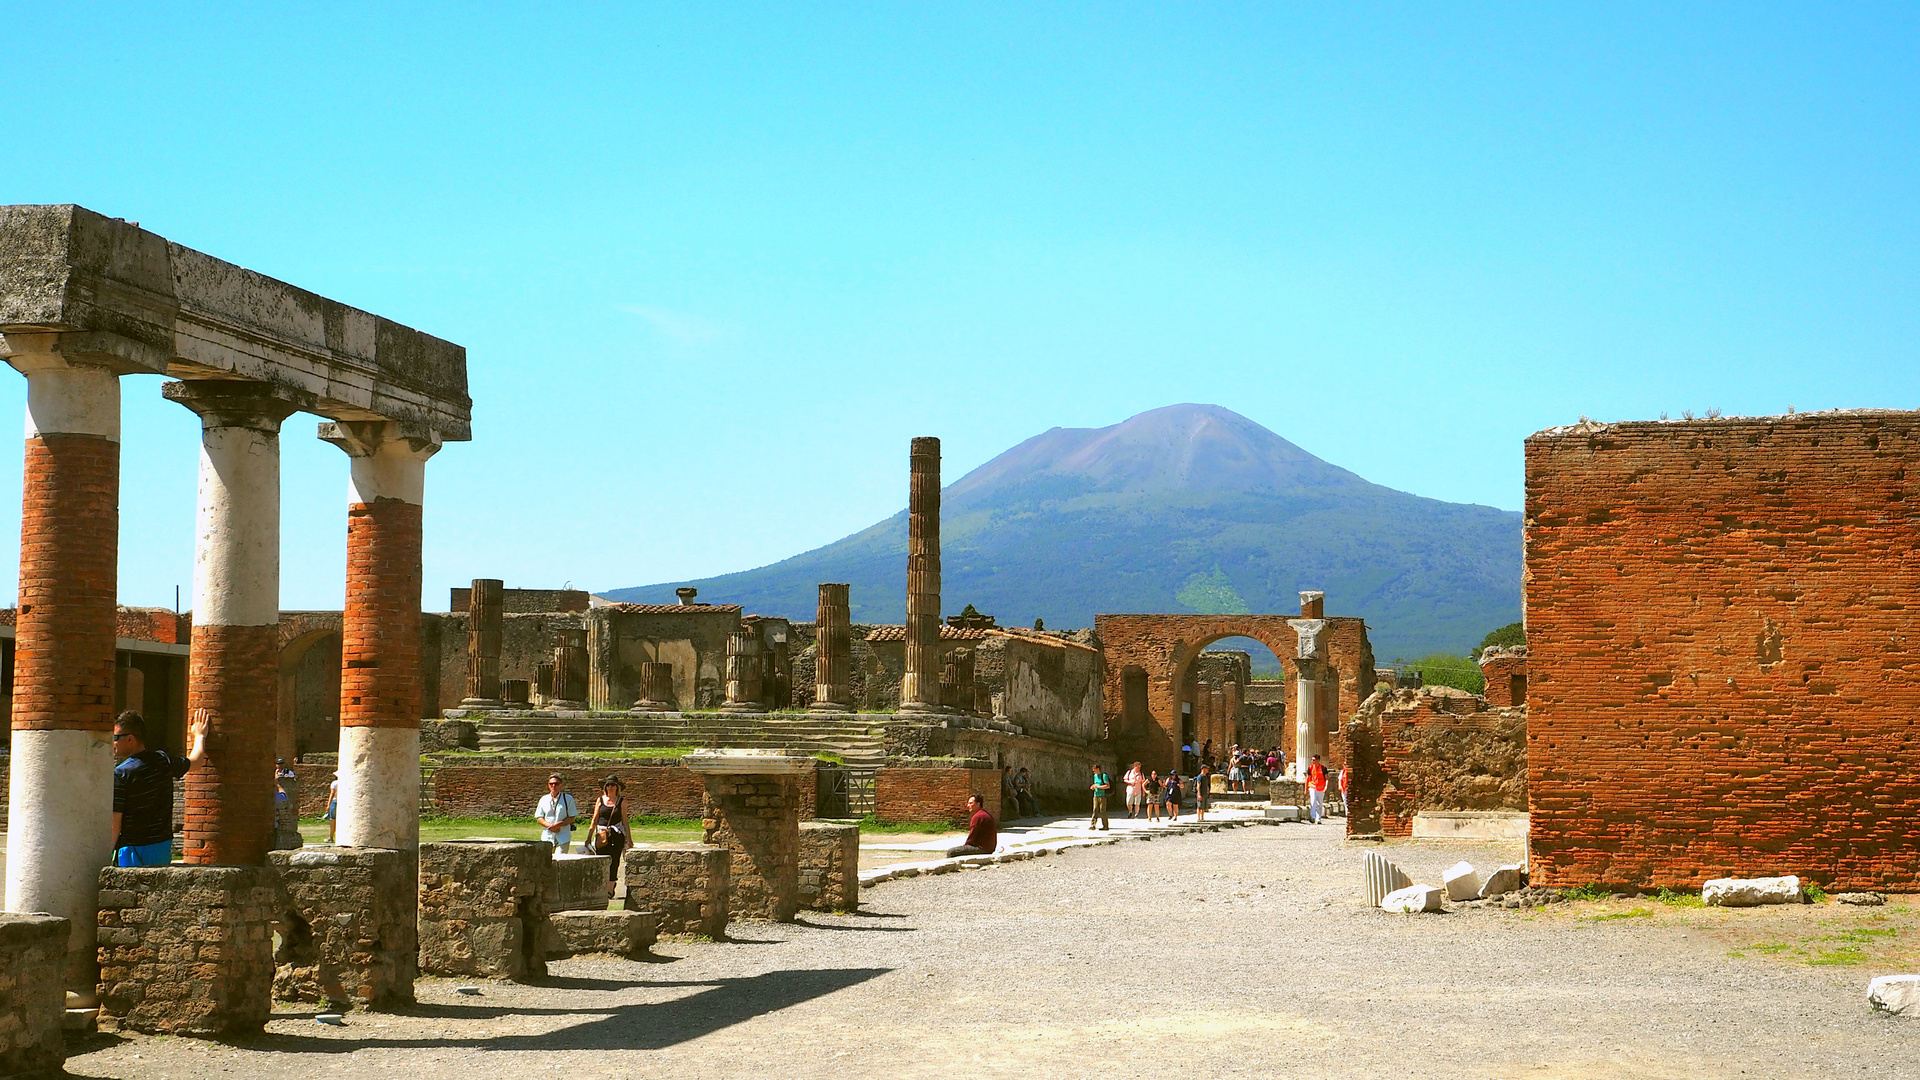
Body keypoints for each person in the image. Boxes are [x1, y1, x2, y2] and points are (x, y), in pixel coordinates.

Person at [112, 708, 209, 866]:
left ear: (130, 739)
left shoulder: (121, 774)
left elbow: (114, 824)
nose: (113, 742)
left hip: (131, 851)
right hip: (161, 848)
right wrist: (199, 736)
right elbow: (196, 762)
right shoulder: (163, 761)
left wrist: (102, 859)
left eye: (115, 737)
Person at [586, 775, 630, 898]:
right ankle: (602, 885)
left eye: (612, 785)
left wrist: (629, 839)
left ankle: (610, 888)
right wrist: (589, 837)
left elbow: (625, 821)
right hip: (602, 834)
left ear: (617, 787)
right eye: (608, 785)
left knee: (614, 861)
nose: (610, 787)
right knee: (601, 859)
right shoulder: (600, 800)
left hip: (616, 835)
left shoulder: (621, 801)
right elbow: (594, 819)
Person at [537, 774, 579, 852]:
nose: (553, 786)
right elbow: (539, 817)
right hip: (547, 836)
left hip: (563, 836)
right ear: (548, 785)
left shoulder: (568, 799)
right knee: (546, 861)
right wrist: (549, 826)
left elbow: (572, 817)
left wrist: (558, 825)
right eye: (551, 784)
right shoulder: (544, 799)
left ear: (561, 785)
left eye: (556, 784)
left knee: (561, 860)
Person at [1305, 754, 1329, 824]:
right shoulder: (1310, 767)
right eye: (1312, 760)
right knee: (1313, 801)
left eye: (1314, 760)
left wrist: (1326, 787)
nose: (1312, 761)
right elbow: (1307, 778)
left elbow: (1327, 778)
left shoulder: (1323, 768)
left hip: (1321, 788)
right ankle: (1312, 817)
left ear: (1318, 760)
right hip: (1313, 786)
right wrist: (1306, 789)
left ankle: (1318, 818)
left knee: (1320, 803)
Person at [1088, 763, 1112, 830]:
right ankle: (1093, 825)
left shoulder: (1104, 776)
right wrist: (1093, 786)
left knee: (1102, 811)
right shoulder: (1095, 776)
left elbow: (1107, 786)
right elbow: (1096, 784)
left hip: (1102, 796)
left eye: (1094, 769)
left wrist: (1098, 787)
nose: (1093, 771)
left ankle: (1105, 826)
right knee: (1095, 810)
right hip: (1096, 795)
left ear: (1098, 769)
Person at [325, 772, 339, 842]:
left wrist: (328, 804)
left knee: (332, 819)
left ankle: (331, 837)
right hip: (342, 802)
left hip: (335, 801)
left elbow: (332, 793)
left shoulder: (335, 783)